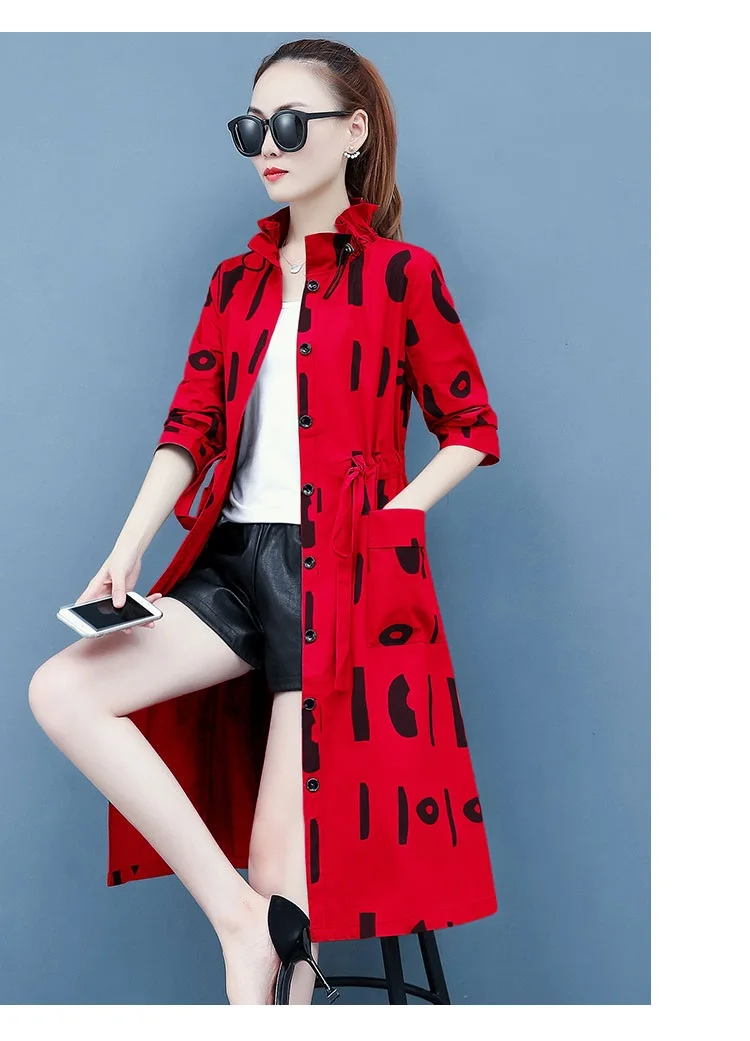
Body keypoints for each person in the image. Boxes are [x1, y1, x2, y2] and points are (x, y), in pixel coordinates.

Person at [29, 37, 501, 1006]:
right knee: (64, 690)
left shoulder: (401, 274)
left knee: (286, 874)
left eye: (289, 124)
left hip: (344, 578)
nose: (267, 147)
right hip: (238, 564)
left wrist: (395, 518)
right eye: (252, 129)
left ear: (354, 132)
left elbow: (472, 427)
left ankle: (266, 949)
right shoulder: (236, 283)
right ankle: (238, 919)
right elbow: (190, 426)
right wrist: (127, 549)